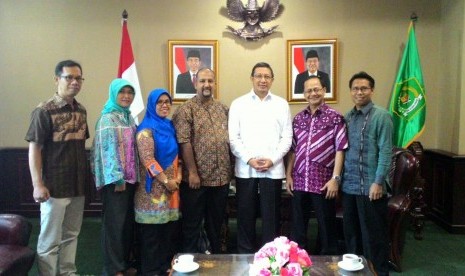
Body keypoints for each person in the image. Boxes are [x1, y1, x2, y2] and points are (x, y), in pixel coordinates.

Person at [25, 59, 89, 275]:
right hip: (54, 186)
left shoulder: (81, 111)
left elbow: (80, 147)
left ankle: (68, 273)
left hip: (78, 185)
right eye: (69, 77)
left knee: (72, 235)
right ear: (56, 79)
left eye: (78, 78)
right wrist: (37, 185)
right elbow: (35, 149)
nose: (74, 82)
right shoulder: (43, 111)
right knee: (50, 240)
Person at [229, 62, 293, 253]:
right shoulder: (238, 104)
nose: (263, 80)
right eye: (259, 76)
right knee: (245, 216)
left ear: (272, 80)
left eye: (267, 77)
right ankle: (244, 256)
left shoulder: (281, 104)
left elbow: (287, 137)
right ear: (252, 78)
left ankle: (270, 257)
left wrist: (272, 160)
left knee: (271, 217)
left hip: (272, 171)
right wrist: (249, 159)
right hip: (245, 169)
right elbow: (233, 138)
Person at [285, 76, 348, 255]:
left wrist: (335, 178)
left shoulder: (336, 118)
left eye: (316, 89)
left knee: (327, 228)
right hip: (299, 181)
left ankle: (328, 265)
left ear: (324, 90)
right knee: (298, 229)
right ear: (304, 94)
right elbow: (293, 150)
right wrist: (288, 175)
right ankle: (298, 264)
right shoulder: (298, 119)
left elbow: (340, 149)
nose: (313, 93)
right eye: (309, 90)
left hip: (323, 183)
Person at [172, 68, 232, 254]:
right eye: (203, 81)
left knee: (216, 225)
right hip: (196, 181)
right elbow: (184, 141)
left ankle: (216, 264)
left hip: (220, 180)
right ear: (195, 83)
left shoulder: (222, 108)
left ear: (215, 83)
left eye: (210, 81)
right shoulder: (185, 109)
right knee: (192, 225)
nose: (207, 85)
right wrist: (193, 173)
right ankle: (189, 264)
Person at [342, 71, 393, 276]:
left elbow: (386, 151)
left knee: (373, 237)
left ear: (372, 90)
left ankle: (379, 272)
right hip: (349, 186)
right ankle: (356, 272)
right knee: (352, 235)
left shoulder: (382, 116)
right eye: (355, 88)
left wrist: (378, 182)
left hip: (371, 187)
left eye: (364, 88)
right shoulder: (348, 116)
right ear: (351, 91)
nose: (359, 92)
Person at [91, 78, 140, 276]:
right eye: (122, 92)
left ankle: (124, 263)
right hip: (116, 183)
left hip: (130, 181)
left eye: (130, 93)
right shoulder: (108, 118)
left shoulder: (128, 117)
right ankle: (113, 269)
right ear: (114, 94)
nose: (126, 96)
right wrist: (117, 179)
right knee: (114, 225)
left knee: (127, 225)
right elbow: (106, 151)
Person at [135, 88, 182, 275]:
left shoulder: (169, 126)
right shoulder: (145, 129)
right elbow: (148, 161)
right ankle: (151, 271)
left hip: (171, 190)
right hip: (152, 193)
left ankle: (164, 269)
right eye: (160, 102)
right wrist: (166, 180)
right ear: (152, 105)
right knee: (151, 238)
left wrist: (177, 177)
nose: (164, 105)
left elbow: (178, 156)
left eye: (167, 102)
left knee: (167, 235)